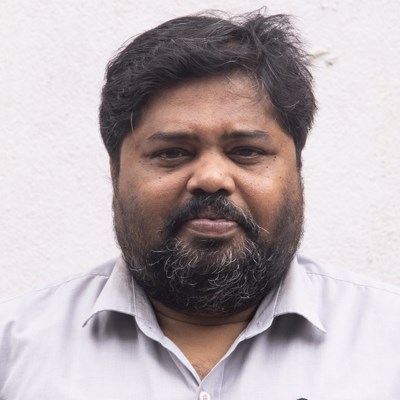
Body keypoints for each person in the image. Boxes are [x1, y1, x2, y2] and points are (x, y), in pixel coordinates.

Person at [1, 10, 400, 399]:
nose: (211, 178)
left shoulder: (388, 339)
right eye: (172, 153)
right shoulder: (15, 348)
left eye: (246, 151)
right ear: (116, 170)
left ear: (296, 168)